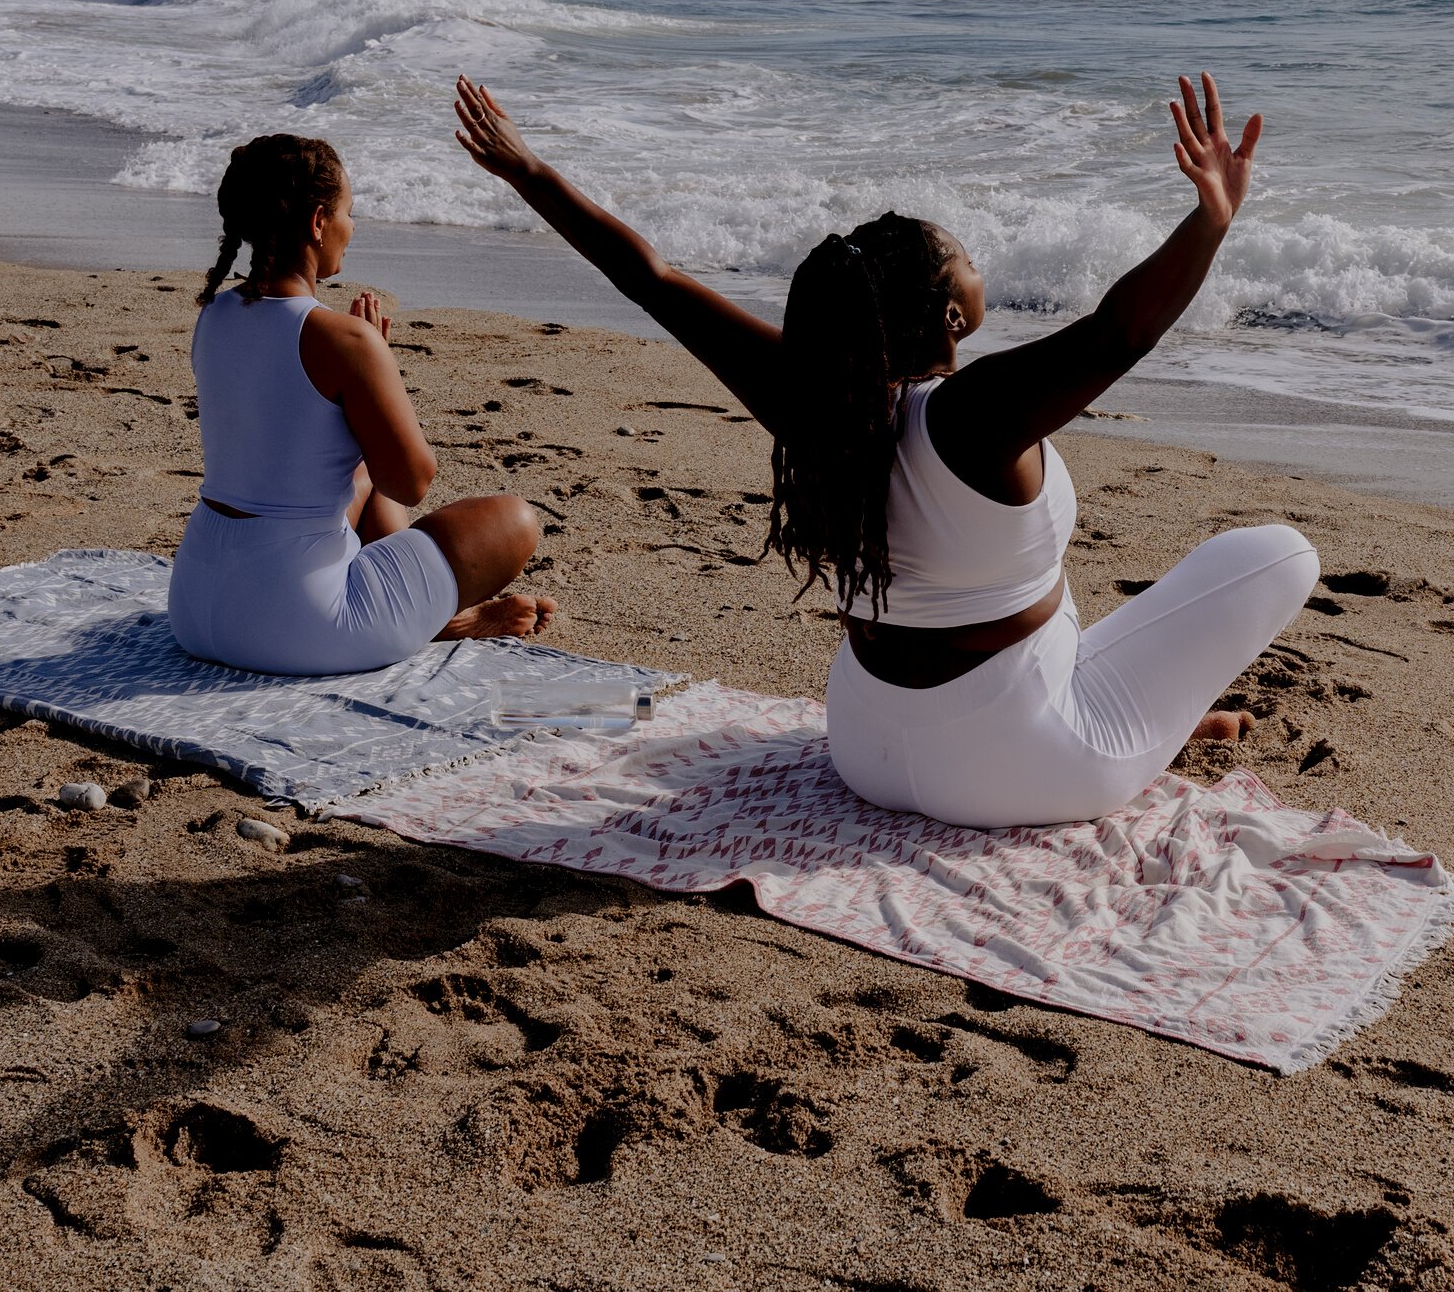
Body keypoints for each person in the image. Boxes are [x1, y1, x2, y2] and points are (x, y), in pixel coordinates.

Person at [453, 72, 1319, 828]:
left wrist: (529, 170)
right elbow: (1116, 332)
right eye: (968, 262)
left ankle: (1145, 723)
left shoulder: (808, 403)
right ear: (952, 317)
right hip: (1018, 763)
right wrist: (1210, 221)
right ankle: (1134, 735)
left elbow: (653, 279)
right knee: (1280, 553)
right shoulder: (972, 415)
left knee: (1050, 616)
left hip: (864, 745)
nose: (981, 271)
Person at [168, 134, 554, 677]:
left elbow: (292, 452)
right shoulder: (344, 340)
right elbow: (412, 481)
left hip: (196, 607)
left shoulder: (215, 315)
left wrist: (360, 384)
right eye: (350, 213)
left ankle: (426, 616)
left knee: (358, 487)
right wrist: (376, 372)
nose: (353, 228)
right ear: (319, 221)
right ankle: (432, 620)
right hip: (298, 628)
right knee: (515, 521)